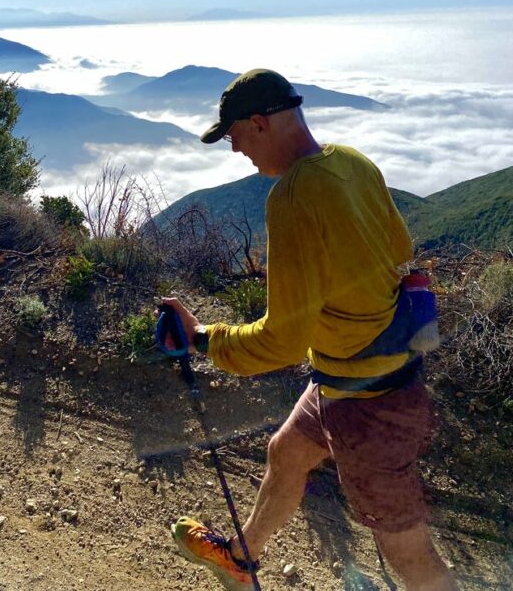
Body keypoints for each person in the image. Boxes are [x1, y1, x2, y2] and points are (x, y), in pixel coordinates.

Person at [163, 69, 458, 591]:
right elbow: (399, 250)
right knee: (287, 452)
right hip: (356, 376)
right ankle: (240, 558)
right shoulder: (352, 162)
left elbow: (280, 342)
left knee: (410, 554)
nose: (236, 152)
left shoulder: (294, 197)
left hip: (371, 406)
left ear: (259, 124)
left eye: (233, 137)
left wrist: (204, 337)